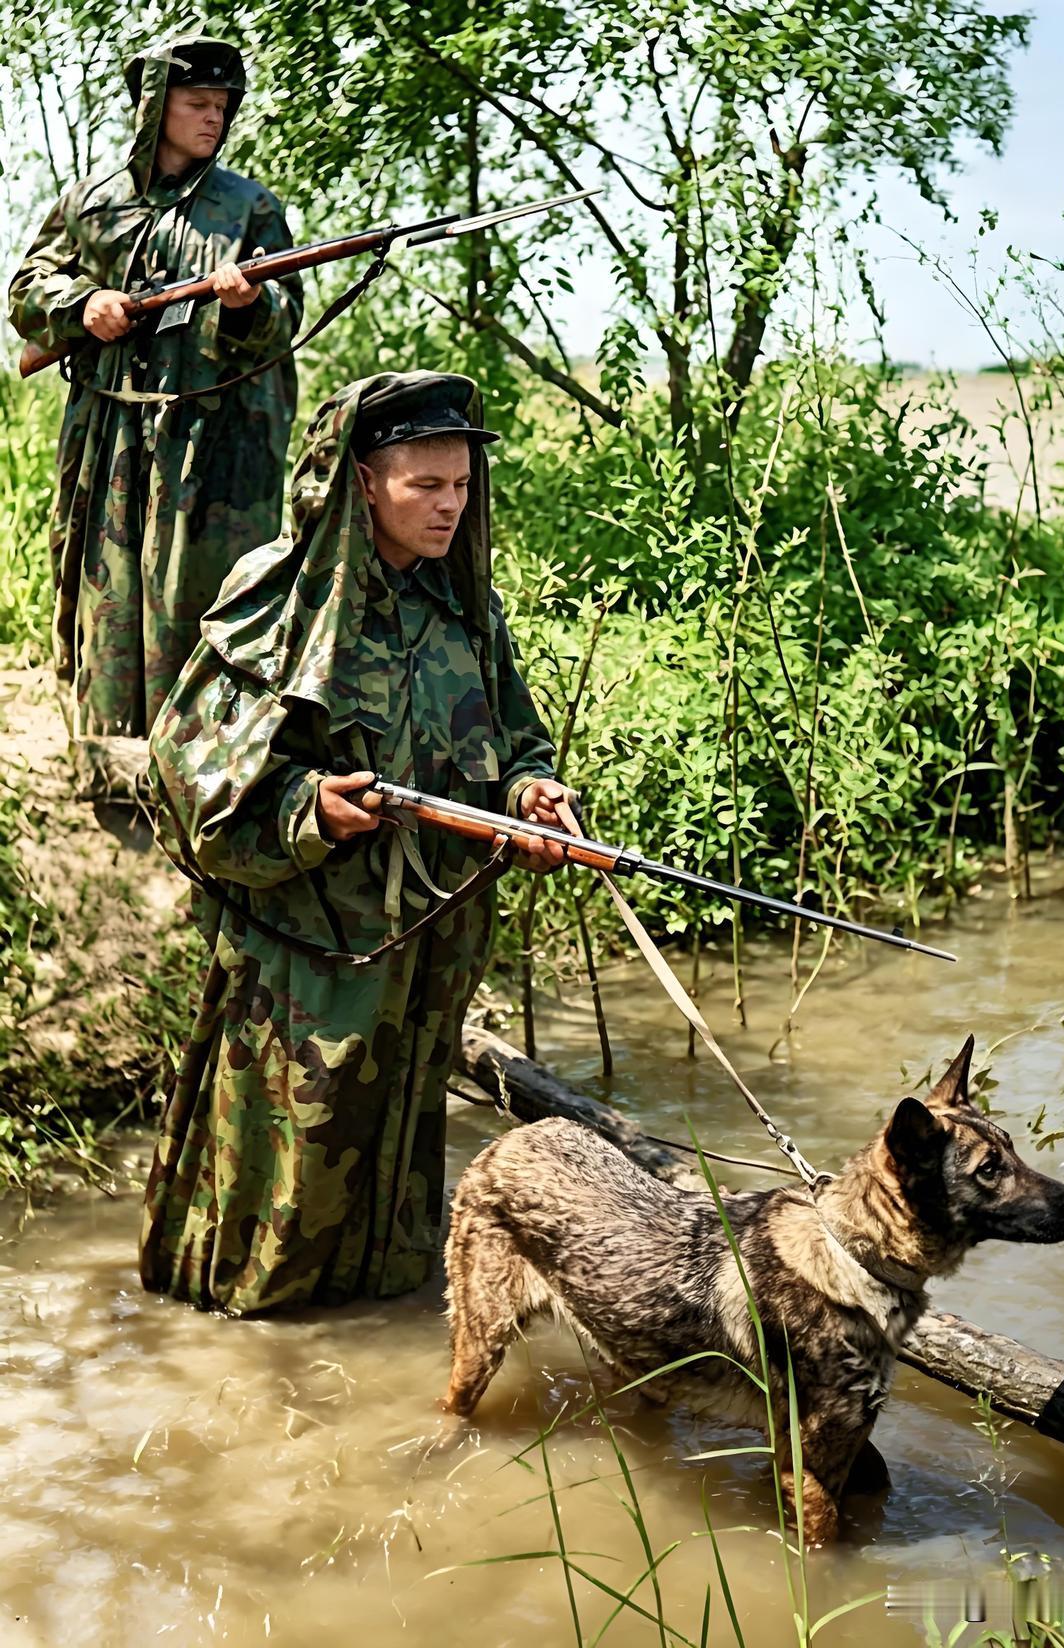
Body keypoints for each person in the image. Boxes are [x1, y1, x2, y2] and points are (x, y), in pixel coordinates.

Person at [140, 370, 574, 1315]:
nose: (450, 506)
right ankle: (248, 1337)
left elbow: (518, 742)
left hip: (425, 950)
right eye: (427, 485)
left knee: (398, 1144)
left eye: (462, 485)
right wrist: (310, 809)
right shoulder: (278, 601)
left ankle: (372, 1329)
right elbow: (186, 766)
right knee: (292, 1159)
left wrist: (534, 796)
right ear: (362, 481)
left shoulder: (466, 609)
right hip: (311, 951)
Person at [7, 33, 303, 755]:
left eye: (223, 106)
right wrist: (84, 306)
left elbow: (287, 314)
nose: (213, 118)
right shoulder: (92, 204)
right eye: (197, 102)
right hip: (109, 434)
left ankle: (202, 759)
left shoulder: (247, 209)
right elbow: (24, 291)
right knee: (105, 590)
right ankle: (107, 755)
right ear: (153, 109)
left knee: (201, 592)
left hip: (213, 447)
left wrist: (245, 308)